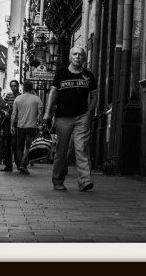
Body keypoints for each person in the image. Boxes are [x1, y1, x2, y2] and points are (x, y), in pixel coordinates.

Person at [44, 46, 98, 191]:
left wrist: (89, 112)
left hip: (82, 117)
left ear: (84, 58)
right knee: (62, 150)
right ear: (70, 57)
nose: (77, 57)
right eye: (74, 54)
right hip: (63, 117)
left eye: (80, 55)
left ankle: (85, 181)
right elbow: (53, 94)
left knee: (81, 148)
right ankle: (58, 180)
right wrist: (47, 112)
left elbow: (94, 97)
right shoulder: (61, 73)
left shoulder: (88, 75)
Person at [11, 80, 43, 175]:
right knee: (29, 146)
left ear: (23, 88)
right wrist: (41, 124)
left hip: (20, 126)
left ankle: (21, 165)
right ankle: (23, 164)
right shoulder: (37, 99)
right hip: (32, 126)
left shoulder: (18, 99)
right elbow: (40, 114)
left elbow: (13, 114)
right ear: (32, 88)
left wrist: (12, 125)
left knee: (19, 147)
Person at [0, 80, 20, 171]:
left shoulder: (21, 97)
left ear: (18, 86)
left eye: (15, 85)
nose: (13, 87)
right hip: (7, 122)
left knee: (15, 144)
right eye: (11, 86)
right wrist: (4, 111)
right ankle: (8, 165)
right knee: (6, 144)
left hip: (17, 122)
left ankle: (19, 164)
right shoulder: (8, 96)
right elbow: (1, 106)